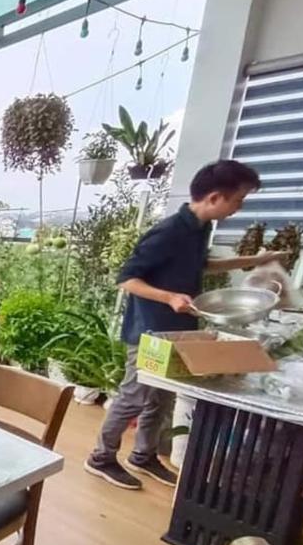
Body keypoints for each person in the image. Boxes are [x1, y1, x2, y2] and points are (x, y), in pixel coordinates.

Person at [85, 160, 286, 490]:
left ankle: (143, 455)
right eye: (239, 200)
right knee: (134, 397)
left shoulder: (200, 228)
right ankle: (101, 457)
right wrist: (168, 297)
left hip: (179, 330)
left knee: (161, 399)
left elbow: (201, 265)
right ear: (215, 197)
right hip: (149, 331)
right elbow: (127, 279)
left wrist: (255, 260)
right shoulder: (169, 232)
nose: (239, 208)